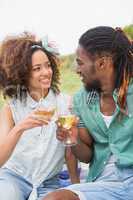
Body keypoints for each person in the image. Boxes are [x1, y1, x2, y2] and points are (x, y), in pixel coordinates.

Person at [43, 26, 133, 200]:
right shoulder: (80, 101)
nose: (77, 70)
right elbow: (87, 156)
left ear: (102, 63)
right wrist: (72, 138)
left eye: (80, 62)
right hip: (103, 183)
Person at [0, 32, 79, 200]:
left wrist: (76, 186)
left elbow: (69, 151)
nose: (46, 72)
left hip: (48, 182)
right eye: (37, 68)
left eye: (48, 65)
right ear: (22, 73)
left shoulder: (65, 103)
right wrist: (20, 127)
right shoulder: (12, 108)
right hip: (14, 178)